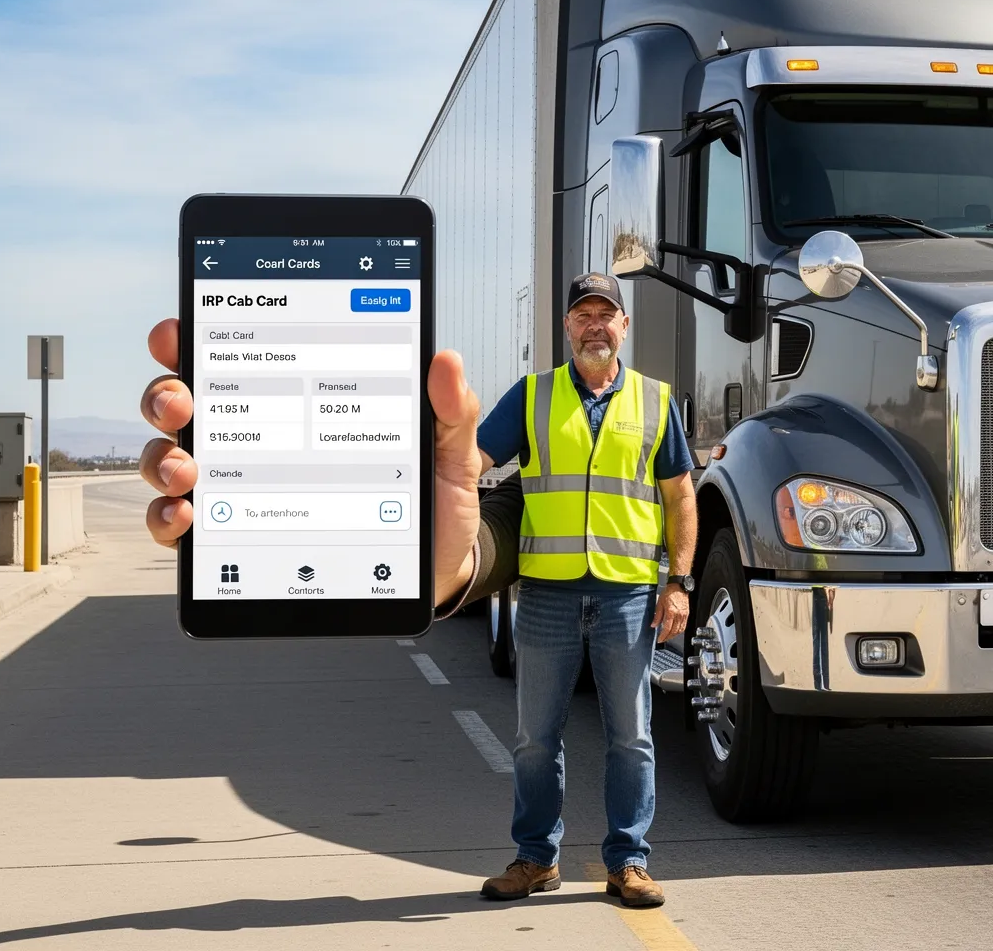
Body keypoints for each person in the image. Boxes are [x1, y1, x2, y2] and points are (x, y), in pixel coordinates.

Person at [136, 271, 695, 910]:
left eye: (606, 314)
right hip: (546, 594)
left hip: (627, 595)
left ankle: (628, 862)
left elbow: (679, 495)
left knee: (632, 736)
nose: (595, 324)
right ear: (567, 327)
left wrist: (677, 581)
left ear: (624, 325)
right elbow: (470, 460)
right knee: (537, 739)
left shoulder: (655, 401)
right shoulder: (535, 397)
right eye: (583, 315)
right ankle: (536, 859)